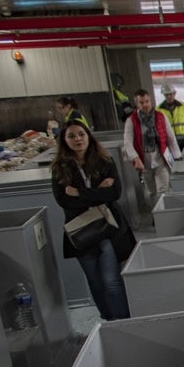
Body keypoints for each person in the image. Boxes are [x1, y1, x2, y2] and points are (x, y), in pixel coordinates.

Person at [51, 122, 134, 321]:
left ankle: (123, 322)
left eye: (81, 134)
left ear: (89, 136)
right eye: (72, 136)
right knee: (95, 282)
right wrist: (99, 192)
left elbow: (114, 193)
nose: (78, 139)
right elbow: (63, 200)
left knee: (111, 280)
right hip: (80, 231)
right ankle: (108, 319)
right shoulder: (60, 169)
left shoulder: (105, 161)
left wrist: (79, 192)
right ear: (64, 140)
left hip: (106, 227)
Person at [122, 88, 181, 210]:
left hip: (161, 159)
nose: (145, 105)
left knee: (163, 190)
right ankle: (156, 214)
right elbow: (127, 142)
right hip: (144, 161)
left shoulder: (160, 117)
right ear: (137, 104)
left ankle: (164, 214)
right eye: (141, 102)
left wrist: (177, 157)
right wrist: (135, 158)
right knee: (151, 191)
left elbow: (171, 138)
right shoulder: (131, 121)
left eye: (147, 101)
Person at [158, 82, 184, 153]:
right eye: (167, 95)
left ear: (174, 94)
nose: (169, 96)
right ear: (164, 95)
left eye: (171, 94)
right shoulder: (158, 109)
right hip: (169, 140)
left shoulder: (183, 106)